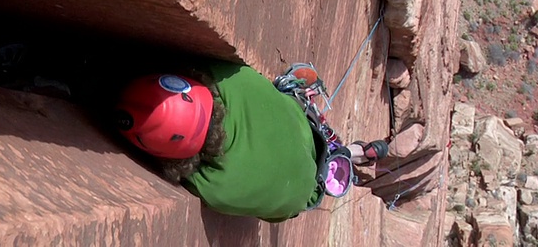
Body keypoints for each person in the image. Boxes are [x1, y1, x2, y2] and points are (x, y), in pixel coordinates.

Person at [113, 58, 388, 223]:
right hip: (299, 129)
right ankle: (346, 155)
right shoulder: (232, 80)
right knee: (292, 109)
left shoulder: (217, 187)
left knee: (305, 179)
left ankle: (344, 159)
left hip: (298, 197)